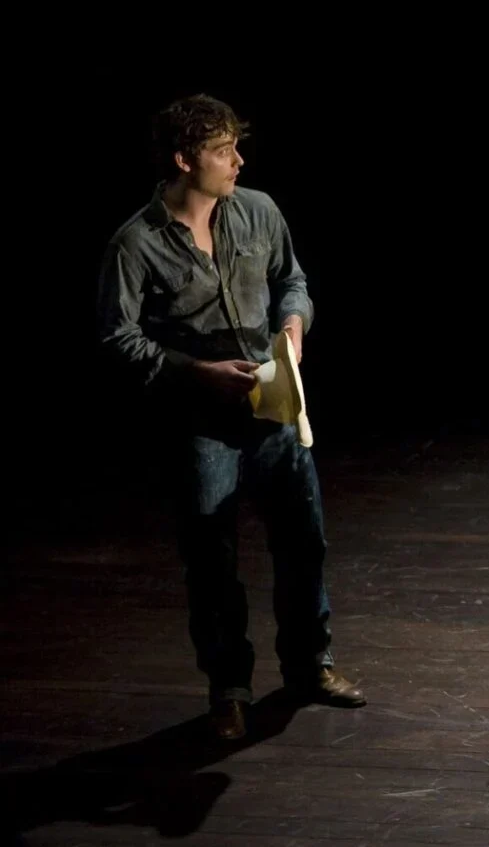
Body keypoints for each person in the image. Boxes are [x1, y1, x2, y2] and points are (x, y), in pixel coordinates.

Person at [96, 94, 365, 741]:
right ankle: (229, 690)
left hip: (274, 408)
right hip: (201, 423)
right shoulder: (136, 243)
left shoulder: (258, 211)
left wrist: (294, 325)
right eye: (223, 150)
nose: (238, 160)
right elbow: (117, 338)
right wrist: (196, 371)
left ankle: (310, 666)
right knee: (211, 559)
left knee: (303, 541)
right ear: (184, 160)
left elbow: (292, 280)